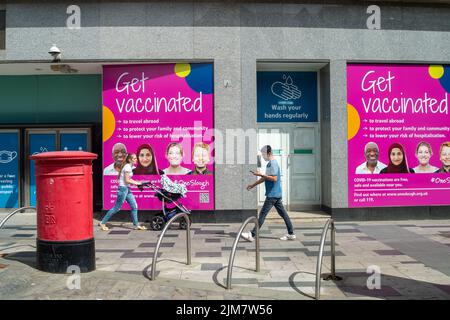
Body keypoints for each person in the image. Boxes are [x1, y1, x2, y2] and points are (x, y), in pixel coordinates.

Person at [241, 145, 295, 242]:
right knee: (283, 214)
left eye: (263, 154)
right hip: (276, 194)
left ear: (269, 153)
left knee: (262, 214)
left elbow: (274, 178)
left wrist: (261, 174)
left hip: (272, 195)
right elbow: (266, 177)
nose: (263, 156)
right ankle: (291, 233)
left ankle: (252, 234)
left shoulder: (273, 163)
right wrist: (253, 184)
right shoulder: (270, 164)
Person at [99, 153, 147, 231]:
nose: (136, 160)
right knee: (116, 208)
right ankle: (103, 222)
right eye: (134, 158)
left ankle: (136, 224)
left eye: (136, 158)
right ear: (130, 160)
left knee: (134, 206)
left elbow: (129, 180)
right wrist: (138, 183)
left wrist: (138, 182)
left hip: (127, 189)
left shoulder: (129, 166)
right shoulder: (127, 167)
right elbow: (127, 180)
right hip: (123, 189)